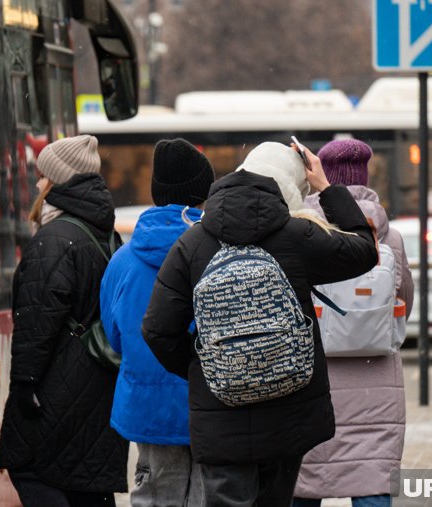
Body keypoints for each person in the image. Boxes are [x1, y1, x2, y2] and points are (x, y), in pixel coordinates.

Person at [141, 141, 379, 507]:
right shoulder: (297, 236)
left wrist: (207, 368)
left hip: (221, 419)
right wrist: (328, 189)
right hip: (289, 412)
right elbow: (365, 251)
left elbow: (157, 329)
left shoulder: (192, 244)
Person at [0, 135, 128, 507]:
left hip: (55, 395)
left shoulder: (53, 240)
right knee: (84, 488)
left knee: (36, 474)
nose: (37, 184)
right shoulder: (103, 232)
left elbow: (36, 323)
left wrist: (24, 386)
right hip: (95, 389)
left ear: (58, 182)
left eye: (42, 176)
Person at [293, 139, 414, 507]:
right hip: (375, 386)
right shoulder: (388, 237)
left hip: (315, 385)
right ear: (366, 175)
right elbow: (404, 304)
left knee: (305, 485)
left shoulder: (302, 231)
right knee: (372, 482)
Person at [100, 138, 215, 507]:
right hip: (209, 403)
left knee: (154, 496)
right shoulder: (219, 251)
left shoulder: (123, 260)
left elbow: (114, 337)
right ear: (203, 193)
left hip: (147, 405)